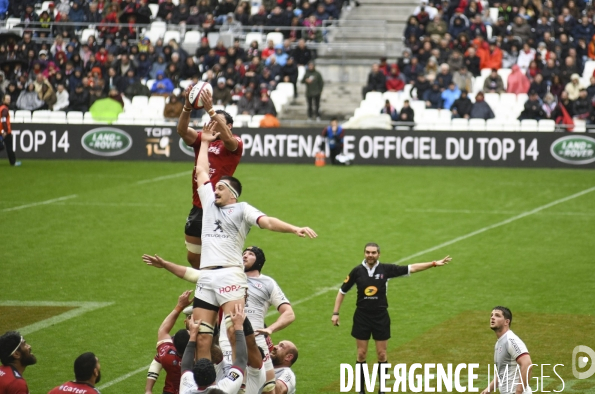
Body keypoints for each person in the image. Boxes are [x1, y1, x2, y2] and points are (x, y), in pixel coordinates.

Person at [143, 115, 317, 363]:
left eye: (221, 187)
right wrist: (203, 142)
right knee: (202, 336)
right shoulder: (208, 204)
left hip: (230, 275)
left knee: (234, 335)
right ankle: (204, 382)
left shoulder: (242, 209)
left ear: (233, 194)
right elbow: (201, 170)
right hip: (206, 277)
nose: (215, 189)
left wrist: (294, 228)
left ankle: (243, 381)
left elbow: (267, 222)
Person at [331, 243, 452, 394]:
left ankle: (382, 390)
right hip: (362, 316)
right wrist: (335, 313)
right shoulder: (357, 271)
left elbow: (411, 268)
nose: (370, 255)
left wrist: (433, 263)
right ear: (364, 253)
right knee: (361, 354)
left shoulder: (386, 269)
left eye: (374, 252)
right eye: (368, 252)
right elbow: (342, 291)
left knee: (382, 354)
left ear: (379, 254)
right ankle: (361, 390)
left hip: (380, 316)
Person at [177, 86, 244, 269]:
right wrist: (187, 107)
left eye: (218, 122)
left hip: (218, 207)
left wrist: (211, 110)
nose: (213, 123)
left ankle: (225, 284)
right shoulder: (203, 140)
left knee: (218, 255)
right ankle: (209, 282)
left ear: (228, 126)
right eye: (211, 121)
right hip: (198, 206)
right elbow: (182, 131)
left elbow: (228, 140)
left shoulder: (234, 143)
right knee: (193, 258)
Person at [219, 246, 295, 394]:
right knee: (233, 386)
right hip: (228, 340)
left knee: (268, 388)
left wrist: (270, 329)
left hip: (256, 340)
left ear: (259, 261)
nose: (245, 256)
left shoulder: (267, 283)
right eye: (244, 253)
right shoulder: (229, 278)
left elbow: (289, 313)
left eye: (251, 254)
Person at [179, 305, 247, 394]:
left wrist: (192, 337)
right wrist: (238, 327)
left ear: (194, 377)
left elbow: (185, 367)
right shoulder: (225, 388)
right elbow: (241, 361)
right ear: (215, 374)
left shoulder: (187, 390)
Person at [145, 291, 193, 394]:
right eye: (189, 317)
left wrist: (179, 306)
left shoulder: (167, 353)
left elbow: (163, 330)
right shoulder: (202, 352)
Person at [480, 307, 533, 394]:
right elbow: (502, 372)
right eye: (491, 315)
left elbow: (527, 364)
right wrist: (488, 390)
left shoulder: (511, 340)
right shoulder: (500, 342)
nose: (492, 318)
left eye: (497, 315)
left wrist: (518, 392)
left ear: (506, 322)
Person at [0, 94, 19, 166]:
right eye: (7, 99)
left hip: (0, 130)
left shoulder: (1, 108)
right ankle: (13, 162)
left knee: (2, 146)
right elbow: (4, 120)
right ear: (3, 100)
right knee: (9, 147)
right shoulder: (5, 109)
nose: (9, 100)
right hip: (5, 131)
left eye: (9, 99)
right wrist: (5, 130)